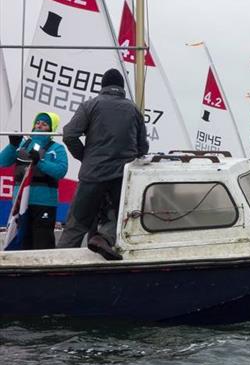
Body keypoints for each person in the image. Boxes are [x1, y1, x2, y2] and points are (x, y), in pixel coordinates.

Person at [57, 68, 148, 260]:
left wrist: (86, 157)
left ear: (103, 86)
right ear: (121, 87)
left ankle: (59, 263)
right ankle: (102, 239)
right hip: (121, 177)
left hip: (92, 175)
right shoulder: (133, 110)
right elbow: (143, 147)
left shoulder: (90, 105)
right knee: (118, 217)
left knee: (77, 224)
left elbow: (70, 135)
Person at [0, 112, 68, 249]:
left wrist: (40, 162)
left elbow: (60, 171)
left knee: (43, 241)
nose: (39, 126)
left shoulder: (56, 148)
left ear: (51, 128)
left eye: (44, 124)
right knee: (21, 241)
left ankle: (45, 269)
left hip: (44, 203)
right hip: (20, 203)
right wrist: (12, 145)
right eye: (37, 123)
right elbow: (3, 162)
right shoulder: (22, 145)